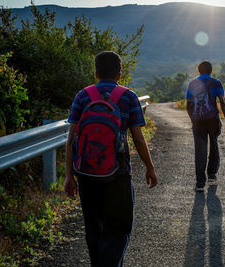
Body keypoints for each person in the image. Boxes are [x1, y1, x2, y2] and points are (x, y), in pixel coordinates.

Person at [64, 51, 158, 266]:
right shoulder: (128, 97)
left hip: (86, 174)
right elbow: (138, 139)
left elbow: (71, 140)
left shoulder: (82, 96)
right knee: (118, 230)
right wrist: (150, 168)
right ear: (119, 74)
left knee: (94, 231)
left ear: (95, 73)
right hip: (119, 173)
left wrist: (69, 175)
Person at [186, 61, 225, 192]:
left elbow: (188, 105)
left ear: (199, 70)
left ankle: (200, 183)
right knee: (214, 144)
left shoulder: (192, 84)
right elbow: (222, 102)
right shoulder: (216, 83)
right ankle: (211, 175)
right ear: (211, 71)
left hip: (198, 120)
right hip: (213, 119)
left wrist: (193, 120)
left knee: (200, 150)